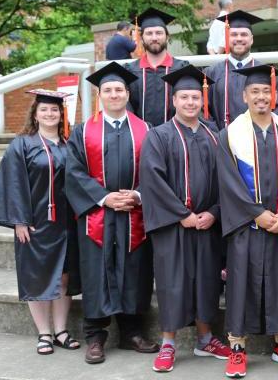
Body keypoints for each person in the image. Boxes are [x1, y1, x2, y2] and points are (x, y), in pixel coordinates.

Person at [216, 64, 278, 378]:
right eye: (255, 91)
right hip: (247, 225)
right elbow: (228, 182)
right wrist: (256, 213)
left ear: (275, 95)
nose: (261, 97)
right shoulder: (230, 135)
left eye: (266, 91)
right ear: (244, 96)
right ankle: (237, 347)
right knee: (242, 285)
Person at [140, 65, 231, 372]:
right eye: (184, 97)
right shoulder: (159, 136)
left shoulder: (215, 134)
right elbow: (152, 181)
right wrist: (182, 216)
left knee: (206, 280)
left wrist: (214, 213)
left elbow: (227, 182)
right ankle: (168, 343)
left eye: (195, 97)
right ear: (174, 100)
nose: (191, 102)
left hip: (206, 223)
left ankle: (205, 338)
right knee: (172, 282)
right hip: (173, 225)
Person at [66, 62, 159, 364]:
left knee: (134, 271)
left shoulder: (145, 129)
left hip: (134, 212)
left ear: (127, 92)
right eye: (108, 90)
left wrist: (138, 194)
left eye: (119, 89)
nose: (114, 94)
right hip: (98, 214)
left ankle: (133, 332)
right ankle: (95, 336)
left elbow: (157, 172)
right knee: (97, 273)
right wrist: (105, 198)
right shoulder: (83, 131)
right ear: (100, 94)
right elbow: (74, 172)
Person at [0, 89, 80, 356]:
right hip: (35, 224)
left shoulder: (68, 144)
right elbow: (12, 183)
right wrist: (19, 221)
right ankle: (44, 333)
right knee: (37, 277)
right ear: (35, 114)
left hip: (65, 224)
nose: (50, 114)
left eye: (54, 110)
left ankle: (61, 330)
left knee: (63, 278)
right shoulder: (22, 145)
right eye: (44, 110)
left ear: (61, 114)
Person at [204, 10, 278, 129]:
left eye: (244, 34)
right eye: (234, 34)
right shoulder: (211, 73)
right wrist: (218, 138)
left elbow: (276, 110)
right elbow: (205, 111)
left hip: (257, 142)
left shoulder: (268, 73)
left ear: (251, 39)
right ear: (226, 38)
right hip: (221, 142)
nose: (239, 39)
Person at [125, 7, 189, 126]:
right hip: (141, 139)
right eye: (149, 33)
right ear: (142, 38)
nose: (154, 38)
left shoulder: (182, 68)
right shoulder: (130, 71)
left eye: (159, 33)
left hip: (175, 138)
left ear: (167, 36)